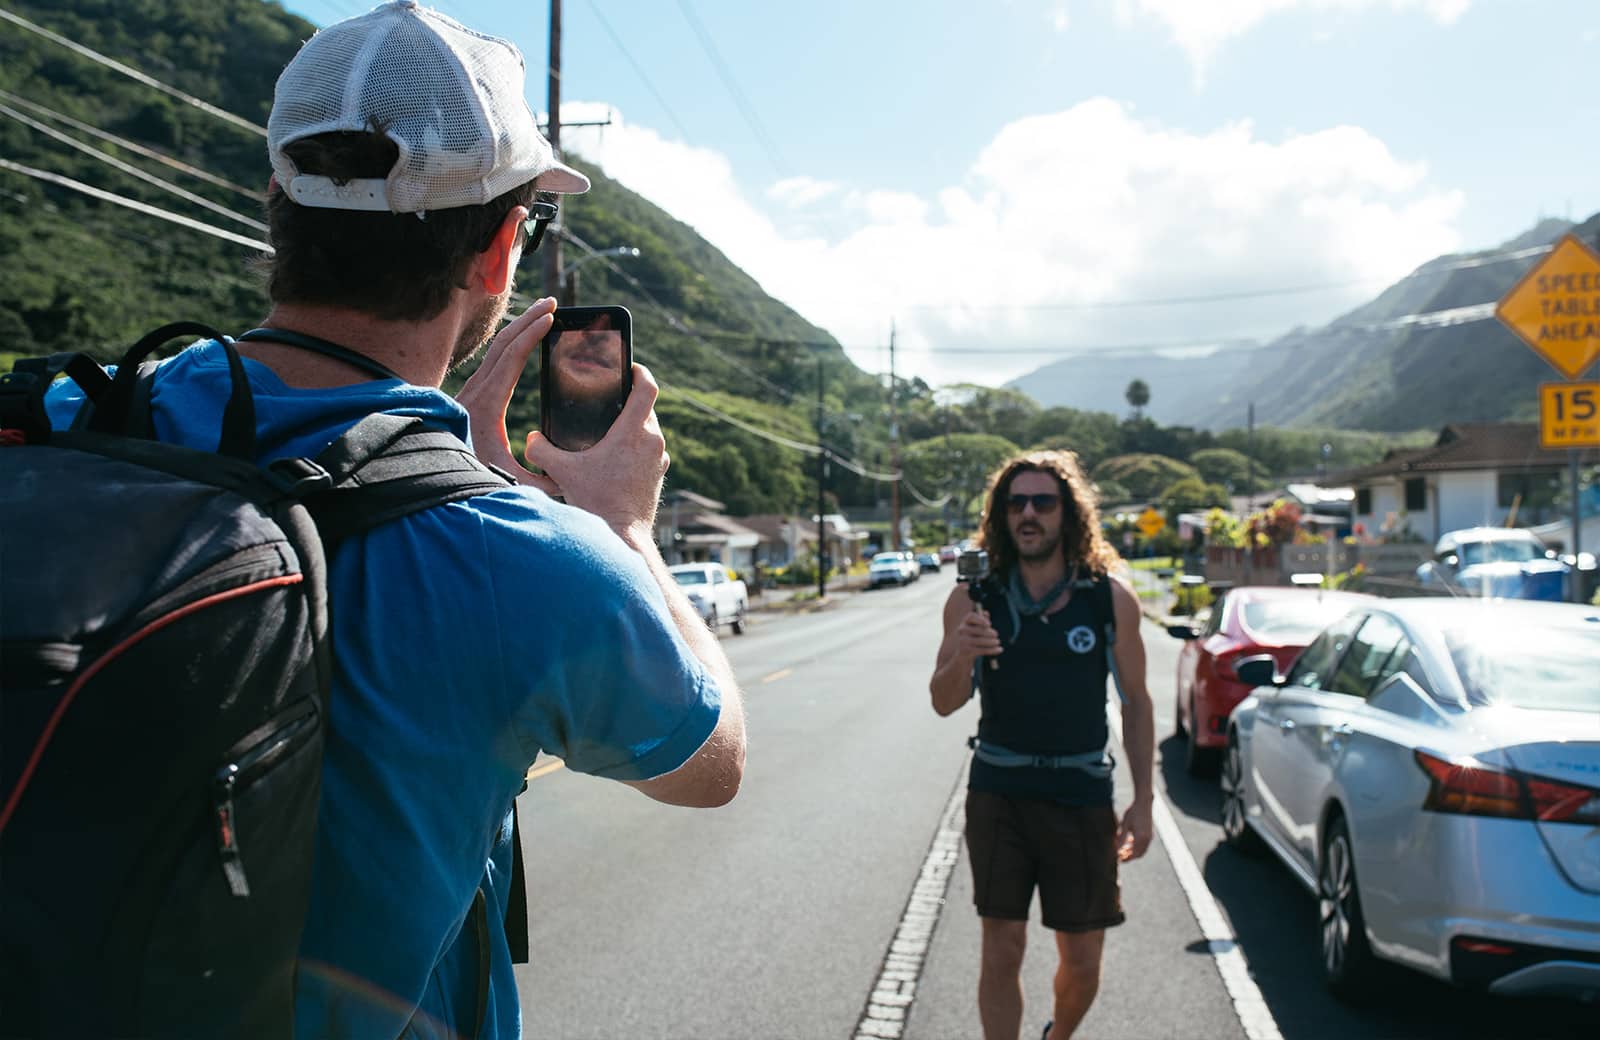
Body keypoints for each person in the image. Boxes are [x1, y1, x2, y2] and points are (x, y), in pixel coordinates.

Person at [43, 3, 745, 1037]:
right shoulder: (529, 560)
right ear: (502, 247)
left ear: (278, 200)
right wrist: (622, 528)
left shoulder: (67, 422)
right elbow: (710, 763)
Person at [929, 451, 1154, 1040]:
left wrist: (1145, 801)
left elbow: (1136, 703)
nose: (1029, 513)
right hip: (999, 792)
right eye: (1016, 502)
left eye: (1043, 502)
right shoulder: (974, 600)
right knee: (1002, 946)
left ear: (1068, 512)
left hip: (1081, 793)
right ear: (1002, 515)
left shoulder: (1109, 599)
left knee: (1082, 961)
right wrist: (964, 653)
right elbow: (943, 700)